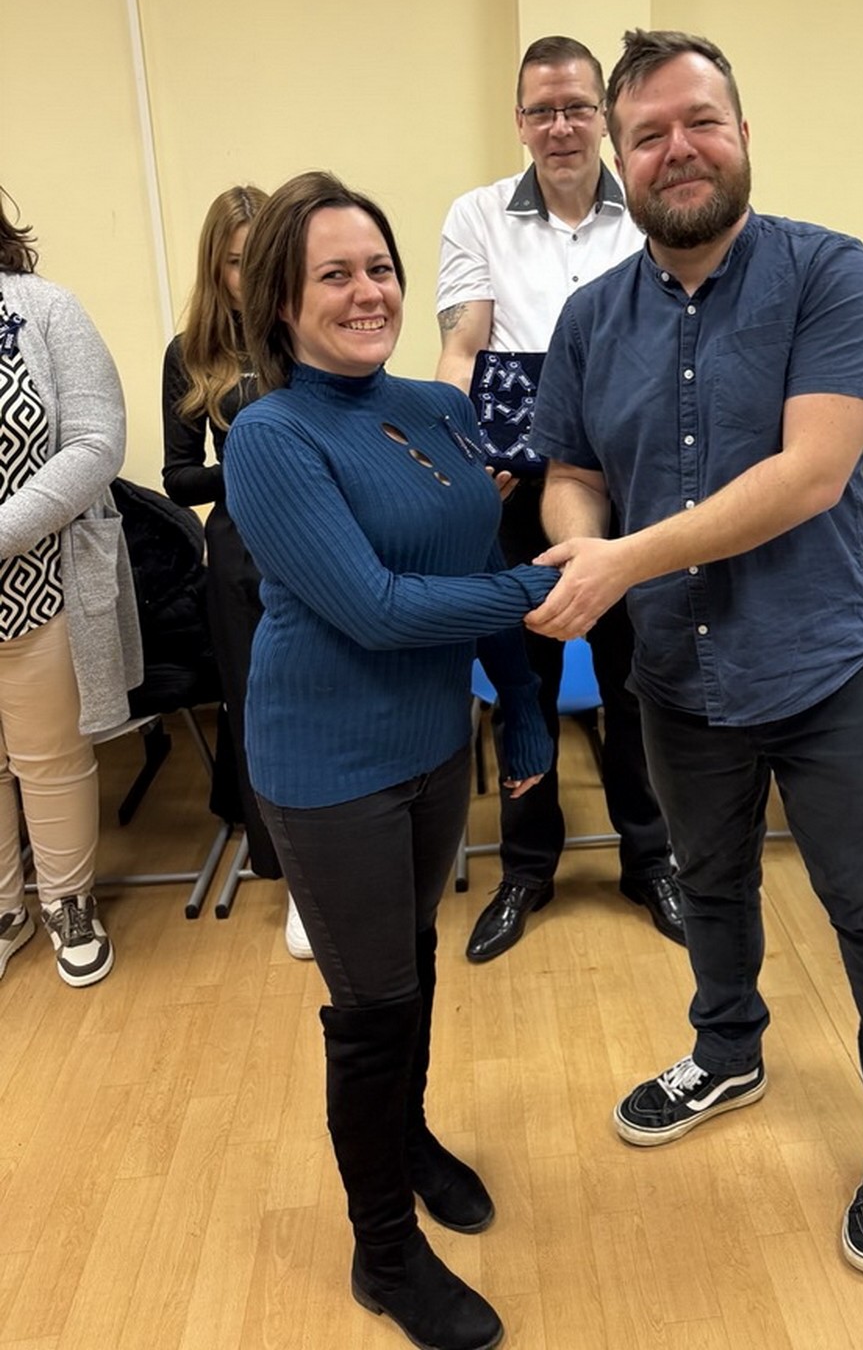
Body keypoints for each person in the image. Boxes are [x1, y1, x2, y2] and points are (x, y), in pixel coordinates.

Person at [526, 30, 863, 1277]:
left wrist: (621, 559)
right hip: (680, 676)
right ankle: (727, 1050)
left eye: (700, 121)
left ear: (744, 134)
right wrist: (578, 540)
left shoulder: (828, 271)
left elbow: (811, 473)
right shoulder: (592, 318)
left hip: (823, 669)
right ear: (621, 160)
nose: (679, 149)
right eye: (649, 134)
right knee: (709, 883)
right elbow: (569, 471)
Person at [224, 171, 559, 1350]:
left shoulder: (436, 406)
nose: (366, 291)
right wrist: (545, 589)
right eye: (334, 274)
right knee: (371, 1006)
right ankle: (383, 1253)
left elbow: (473, 563)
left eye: (378, 268)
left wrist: (524, 708)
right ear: (281, 302)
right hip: (328, 761)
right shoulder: (268, 435)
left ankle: (406, 1139)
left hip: (431, 743)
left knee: (409, 960)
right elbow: (375, 607)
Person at [435, 34, 683, 962]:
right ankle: (527, 868)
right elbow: (463, 349)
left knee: (638, 682)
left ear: (604, 116)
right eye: (543, 110)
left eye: (578, 107)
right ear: (519, 122)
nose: (562, 126)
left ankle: (651, 861)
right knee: (521, 685)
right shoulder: (477, 215)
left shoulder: (649, 210)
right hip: (515, 484)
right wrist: (461, 455)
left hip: (637, 482)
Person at [161, 184, 314, 959]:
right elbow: (178, 479)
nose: (247, 277)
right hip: (239, 550)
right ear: (212, 267)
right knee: (259, 712)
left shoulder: (304, 331)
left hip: (315, 536)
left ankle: (342, 852)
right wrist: (252, 462)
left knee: (322, 698)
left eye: (260, 260)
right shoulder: (189, 352)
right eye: (232, 263)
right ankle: (291, 879)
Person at [0, 186, 140, 988]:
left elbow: (95, 442)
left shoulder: (45, 309)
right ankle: (4, 910)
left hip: (39, 579)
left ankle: (66, 903)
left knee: (47, 755)